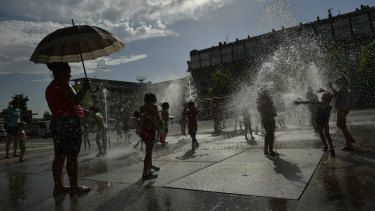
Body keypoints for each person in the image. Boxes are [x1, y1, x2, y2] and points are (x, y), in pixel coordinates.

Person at [45, 62, 91, 197]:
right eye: (68, 72)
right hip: (69, 123)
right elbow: (74, 100)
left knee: (59, 156)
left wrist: (83, 111)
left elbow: (63, 104)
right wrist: (85, 88)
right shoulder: (62, 84)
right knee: (72, 156)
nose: (70, 75)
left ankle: (58, 186)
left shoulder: (50, 87)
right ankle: (74, 187)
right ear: (61, 73)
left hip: (57, 122)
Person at [329, 77, 356, 151]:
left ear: (341, 82)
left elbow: (337, 94)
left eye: (337, 82)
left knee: (343, 127)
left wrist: (331, 87)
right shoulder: (343, 87)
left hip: (342, 109)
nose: (336, 84)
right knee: (339, 124)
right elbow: (336, 95)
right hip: (341, 109)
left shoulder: (343, 87)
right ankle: (350, 138)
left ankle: (349, 145)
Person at [140, 93, 160, 181]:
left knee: (148, 151)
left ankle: (150, 168)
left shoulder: (141, 107)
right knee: (148, 153)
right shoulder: (154, 107)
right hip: (151, 131)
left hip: (144, 131)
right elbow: (157, 119)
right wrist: (161, 129)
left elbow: (143, 119)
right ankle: (145, 173)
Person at [257, 89, 279, 156]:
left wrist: (274, 112)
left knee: (271, 133)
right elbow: (260, 109)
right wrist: (270, 111)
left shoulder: (269, 99)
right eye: (266, 93)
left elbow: (273, 107)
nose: (268, 94)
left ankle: (269, 150)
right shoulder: (260, 100)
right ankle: (268, 150)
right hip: (265, 119)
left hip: (270, 118)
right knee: (269, 133)